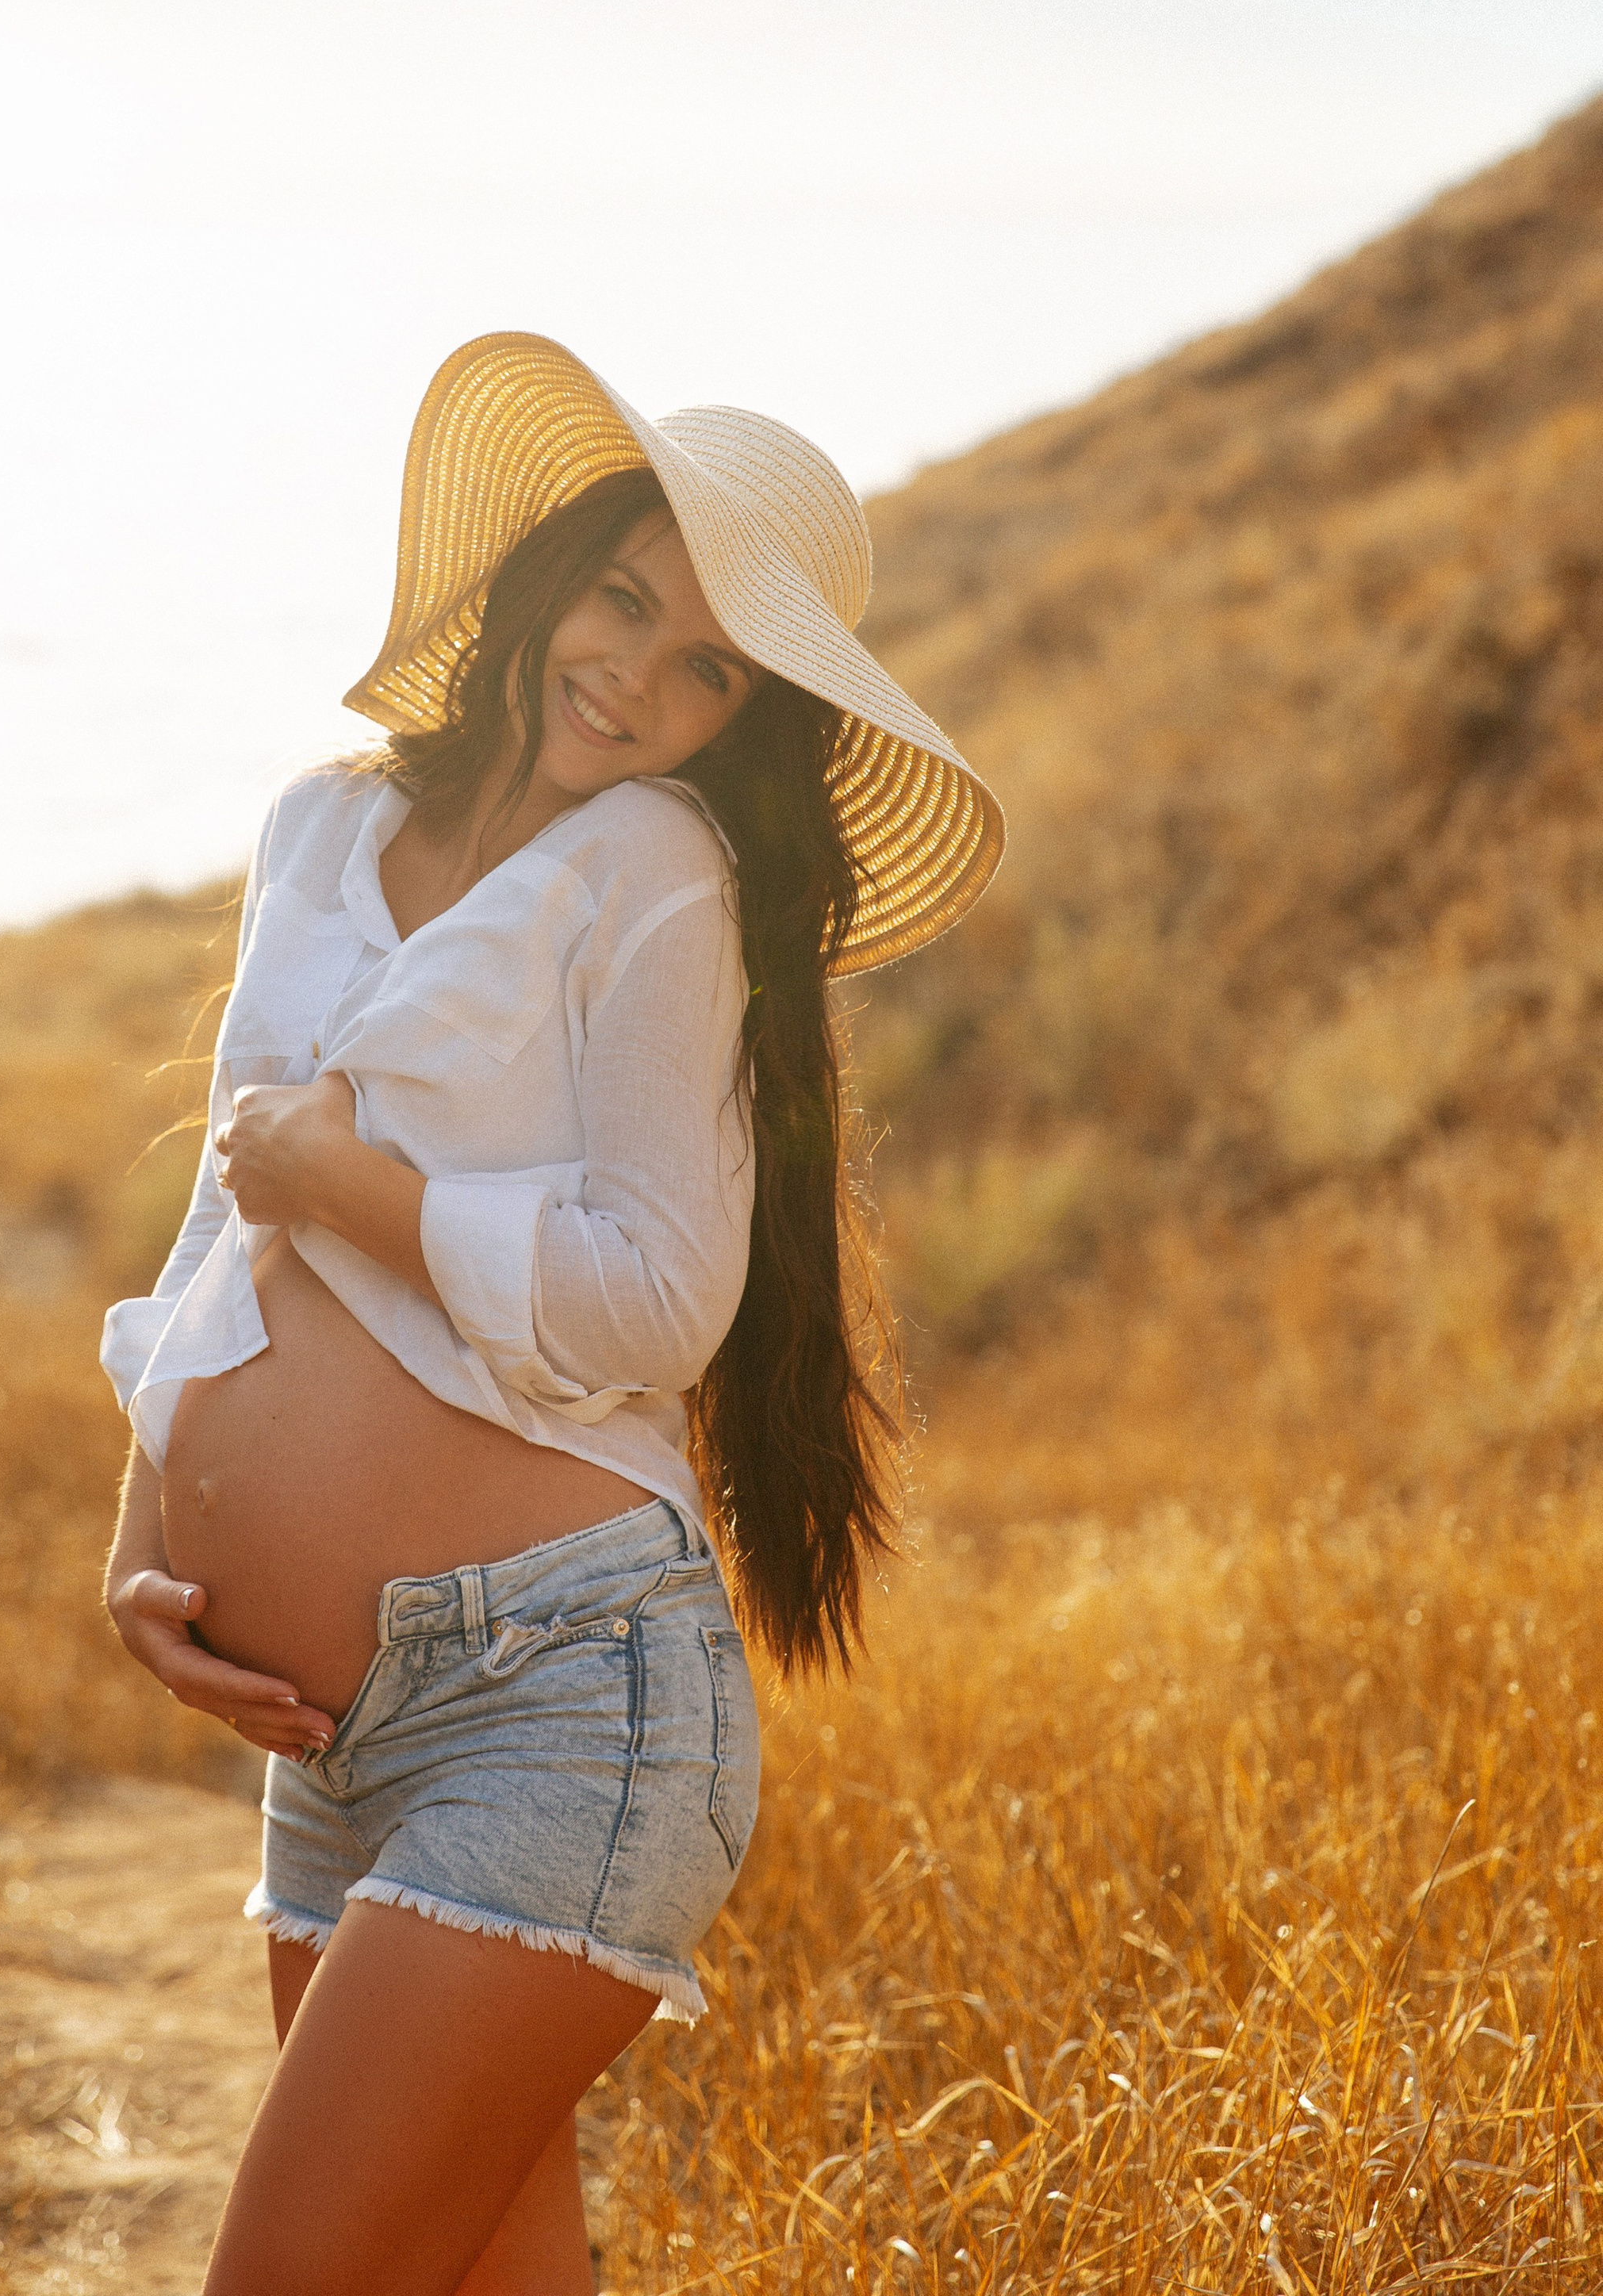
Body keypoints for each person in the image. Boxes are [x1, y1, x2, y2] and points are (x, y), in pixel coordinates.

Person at [98, 332, 1003, 2295]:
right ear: (544, 570)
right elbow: (214, 1209)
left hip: (557, 1703)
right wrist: (147, 1532)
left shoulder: (656, 867)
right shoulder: (316, 828)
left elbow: (660, 1295)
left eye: (706, 669)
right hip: (337, 1734)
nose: (638, 678)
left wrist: (362, 1189)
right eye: (623, 602)